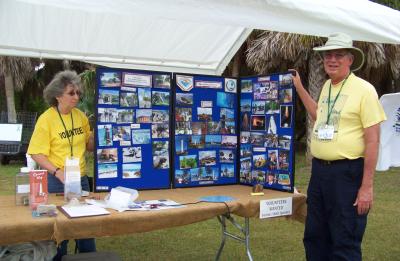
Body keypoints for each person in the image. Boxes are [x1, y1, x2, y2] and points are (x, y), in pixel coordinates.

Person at [291, 32, 386, 260]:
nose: (332, 60)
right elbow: (319, 115)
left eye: (339, 55)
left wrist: (366, 187)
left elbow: (373, 140)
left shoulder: (365, 90)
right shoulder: (327, 87)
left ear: (350, 59)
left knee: (344, 239)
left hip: (347, 174)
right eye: (328, 55)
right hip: (320, 173)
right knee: (314, 235)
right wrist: (300, 88)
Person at [27, 70, 96, 261]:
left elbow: (88, 147)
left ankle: (89, 257)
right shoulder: (46, 119)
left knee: (86, 226)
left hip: (81, 179)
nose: (76, 97)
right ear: (58, 96)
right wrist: (57, 172)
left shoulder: (81, 116)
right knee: (60, 229)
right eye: (71, 93)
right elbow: (36, 153)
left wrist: (96, 135)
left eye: (78, 93)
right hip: (57, 180)